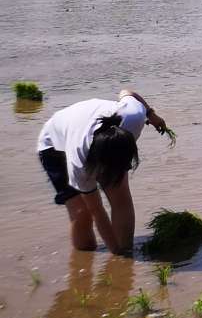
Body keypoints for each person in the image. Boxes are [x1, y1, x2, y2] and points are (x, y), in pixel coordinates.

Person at [36, 87, 168, 253]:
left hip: (94, 133)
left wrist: (151, 114)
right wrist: (116, 253)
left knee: (121, 196)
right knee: (82, 213)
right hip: (54, 146)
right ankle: (86, 255)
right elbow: (97, 210)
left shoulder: (133, 116)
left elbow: (127, 92)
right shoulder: (78, 162)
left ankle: (126, 248)